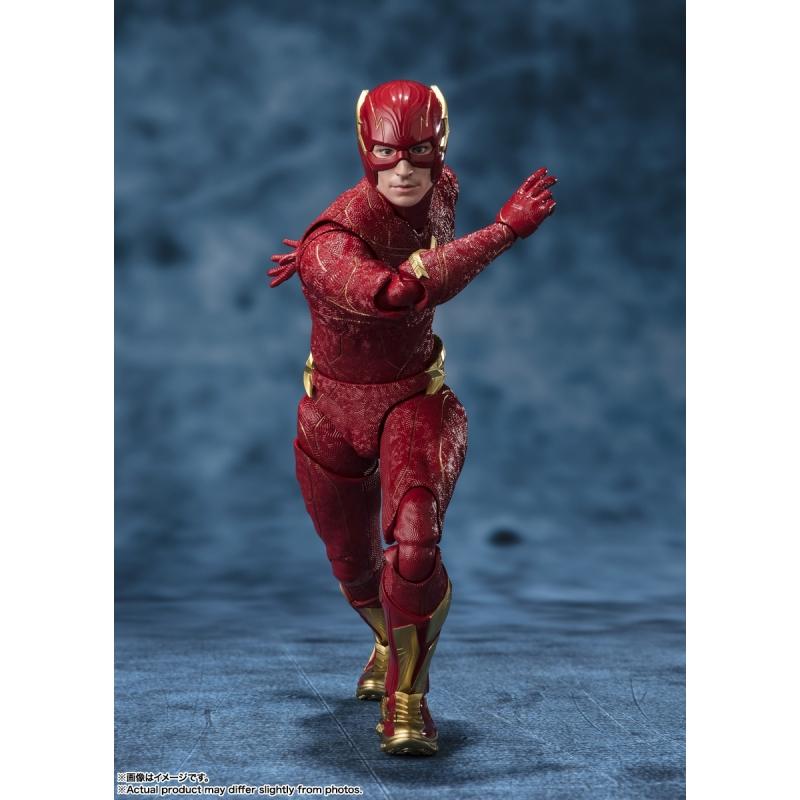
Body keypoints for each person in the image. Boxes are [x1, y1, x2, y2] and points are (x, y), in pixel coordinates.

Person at [269, 79, 556, 756]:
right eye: (387, 153)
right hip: (333, 412)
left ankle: (407, 699)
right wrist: (505, 231)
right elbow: (402, 292)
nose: (405, 170)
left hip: (412, 397)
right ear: (363, 148)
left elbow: (427, 260)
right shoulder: (330, 244)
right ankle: (389, 640)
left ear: (441, 146)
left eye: (420, 152)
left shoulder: (442, 189)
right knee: (355, 569)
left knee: (417, 545)